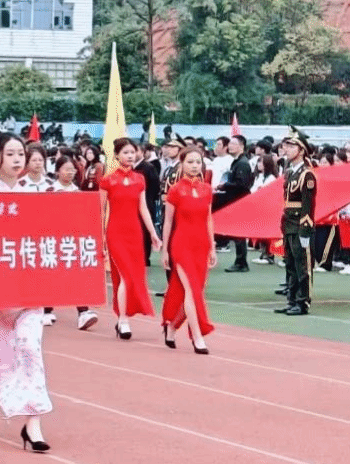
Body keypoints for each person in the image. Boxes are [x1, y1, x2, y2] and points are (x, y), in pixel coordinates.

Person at [0, 133, 53, 453]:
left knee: (29, 348)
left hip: (29, 290)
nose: (19, 159)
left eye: (22, 153)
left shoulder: (35, 195)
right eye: (11, 154)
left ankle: (33, 423)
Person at [99, 138, 162, 339]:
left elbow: (143, 208)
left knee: (132, 276)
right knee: (125, 275)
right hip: (115, 232)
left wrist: (153, 232)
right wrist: (100, 237)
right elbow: (100, 211)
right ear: (117, 155)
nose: (130, 156)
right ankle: (124, 320)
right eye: (125, 152)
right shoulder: (107, 180)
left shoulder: (139, 179)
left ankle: (121, 318)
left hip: (135, 232)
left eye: (132, 152)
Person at [160, 146, 216, 354]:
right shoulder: (175, 190)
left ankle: (172, 327)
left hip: (201, 246)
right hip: (181, 245)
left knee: (193, 292)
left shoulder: (207, 189)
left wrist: (212, 247)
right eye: (190, 162)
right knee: (192, 291)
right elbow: (167, 222)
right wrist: (165, 250)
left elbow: (209, 219)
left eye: (198, 162)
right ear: (181, 164)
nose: (194, 166)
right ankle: (197, 336)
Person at [43, 155, 99, 330]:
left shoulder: (78, 192)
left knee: (75, 274)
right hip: (52, 239)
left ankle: (83, 312)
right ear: (57, 171)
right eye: (66, 169)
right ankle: (46, 309)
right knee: (51, 273)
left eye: (72, 169)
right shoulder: (50, 191)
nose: (69, 172)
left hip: (72, 240)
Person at [277, 128, 316, 316]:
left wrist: (305, 229)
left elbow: (308, 206)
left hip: (300, 225)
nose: (287, 148)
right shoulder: (290, 172)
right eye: (287, 145)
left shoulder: (306, 174)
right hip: (288, 224)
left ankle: (303, 302)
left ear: (301, 150)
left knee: (302, 266)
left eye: (292, 145)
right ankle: (292, 299)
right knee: (290, 265)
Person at [218, 135, 254, 273]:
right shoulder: (237, 162)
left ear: (241, 146)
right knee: (237, 233)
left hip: (240, 201)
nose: (230, 146)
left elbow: (242, 184)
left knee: (239, 234)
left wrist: (225, 185)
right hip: (236, 201)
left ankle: (241, 262)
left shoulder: (242, 164)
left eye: (233, 143)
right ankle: (240, 261)